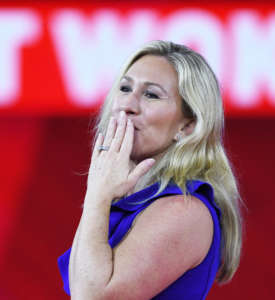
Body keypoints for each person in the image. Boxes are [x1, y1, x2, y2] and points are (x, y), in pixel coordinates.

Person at [58, 40, 243, 299]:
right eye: (124, 88)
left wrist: (97, 196)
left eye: (151, 94)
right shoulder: (130, 200)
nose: (127, 105)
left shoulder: (184, 209)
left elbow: (92, 297)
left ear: (187, 126)